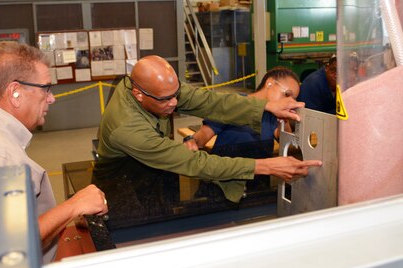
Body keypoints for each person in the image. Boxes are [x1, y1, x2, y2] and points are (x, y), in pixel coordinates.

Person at [93, 55, 321, 228]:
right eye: (165, 99)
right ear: (138, 94)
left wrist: (264, 106)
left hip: (156, 175)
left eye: (176, 94)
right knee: (134, 237)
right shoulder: (126, 128)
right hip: (123, 186)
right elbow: (195, 163)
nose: (174, 103)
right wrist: (266, 166)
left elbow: (208, 101)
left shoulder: (155, 87)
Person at [0, 42, 108, 263]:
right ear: (15, 92)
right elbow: (2, 248)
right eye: (46, 88)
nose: (51, 98)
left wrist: (61, 218)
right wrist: (74, 206)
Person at [186, 66, 300, 193]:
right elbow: (203, 135)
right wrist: (192, 140)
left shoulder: (273, 115)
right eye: (287, 94)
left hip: (256, 185)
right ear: (270, 83)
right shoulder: (235, 104)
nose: (289, 101)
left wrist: (284, 121)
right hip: (222, 186)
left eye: (293, 99)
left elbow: (287, 142)